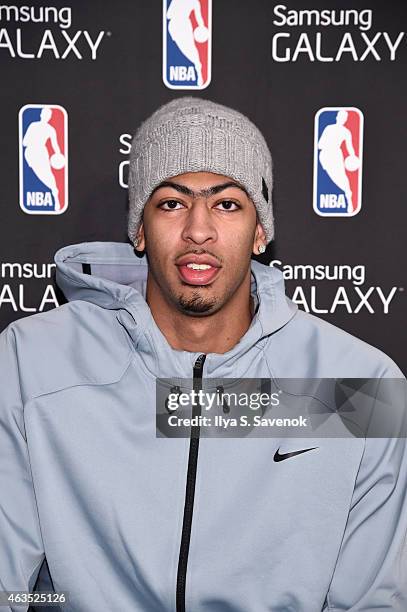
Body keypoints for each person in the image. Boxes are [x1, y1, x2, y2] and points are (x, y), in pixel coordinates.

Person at [0, 97, 406, 612]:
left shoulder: (360, 383)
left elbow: (374, 602)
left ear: (261, 231)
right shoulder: (31, 361)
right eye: (172, 202)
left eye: (227, 203)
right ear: (139, 230)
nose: (198, 230)